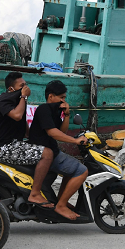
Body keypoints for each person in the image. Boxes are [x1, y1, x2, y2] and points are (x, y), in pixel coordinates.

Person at [0, 72, 55, 209]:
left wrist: (34, 138)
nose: (26, 88)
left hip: (16, 144)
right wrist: (23, 97)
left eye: (26, 85)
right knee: (47, 154)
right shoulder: (3, 100)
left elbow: (23, 124)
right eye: (22, 85)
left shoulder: (18, 101)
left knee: (51, 155)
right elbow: (18, 116)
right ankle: (35, 194)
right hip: (6, 148)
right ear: (11, 89)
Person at [26, 80, 88, 221]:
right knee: (81, 170)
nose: (63, 101)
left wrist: (66, 115)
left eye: (65, 98)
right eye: (61, 97)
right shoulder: (44, 109)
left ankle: (61, 201)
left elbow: (62, 131)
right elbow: (53, 133)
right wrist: (75, 141)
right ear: (51, 96)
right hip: (43, 152)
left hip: (52, 150)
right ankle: (61, 205)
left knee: (71, 169)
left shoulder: (54, 111)